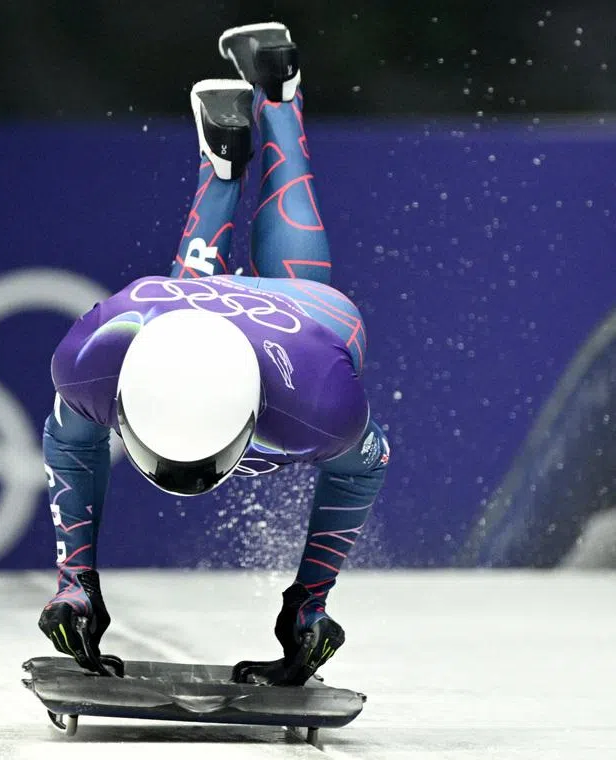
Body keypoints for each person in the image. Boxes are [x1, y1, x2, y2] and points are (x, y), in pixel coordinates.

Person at [38, 23, 389, 686]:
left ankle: (253, 130)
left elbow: (70, 447)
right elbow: (70, 440)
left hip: (300, 329)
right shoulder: (96, 357)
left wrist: (75, 573)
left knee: (295, 292)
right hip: (169, 309)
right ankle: (261, 118)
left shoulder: (317, 401)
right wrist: (74, 578)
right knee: (193, 296)